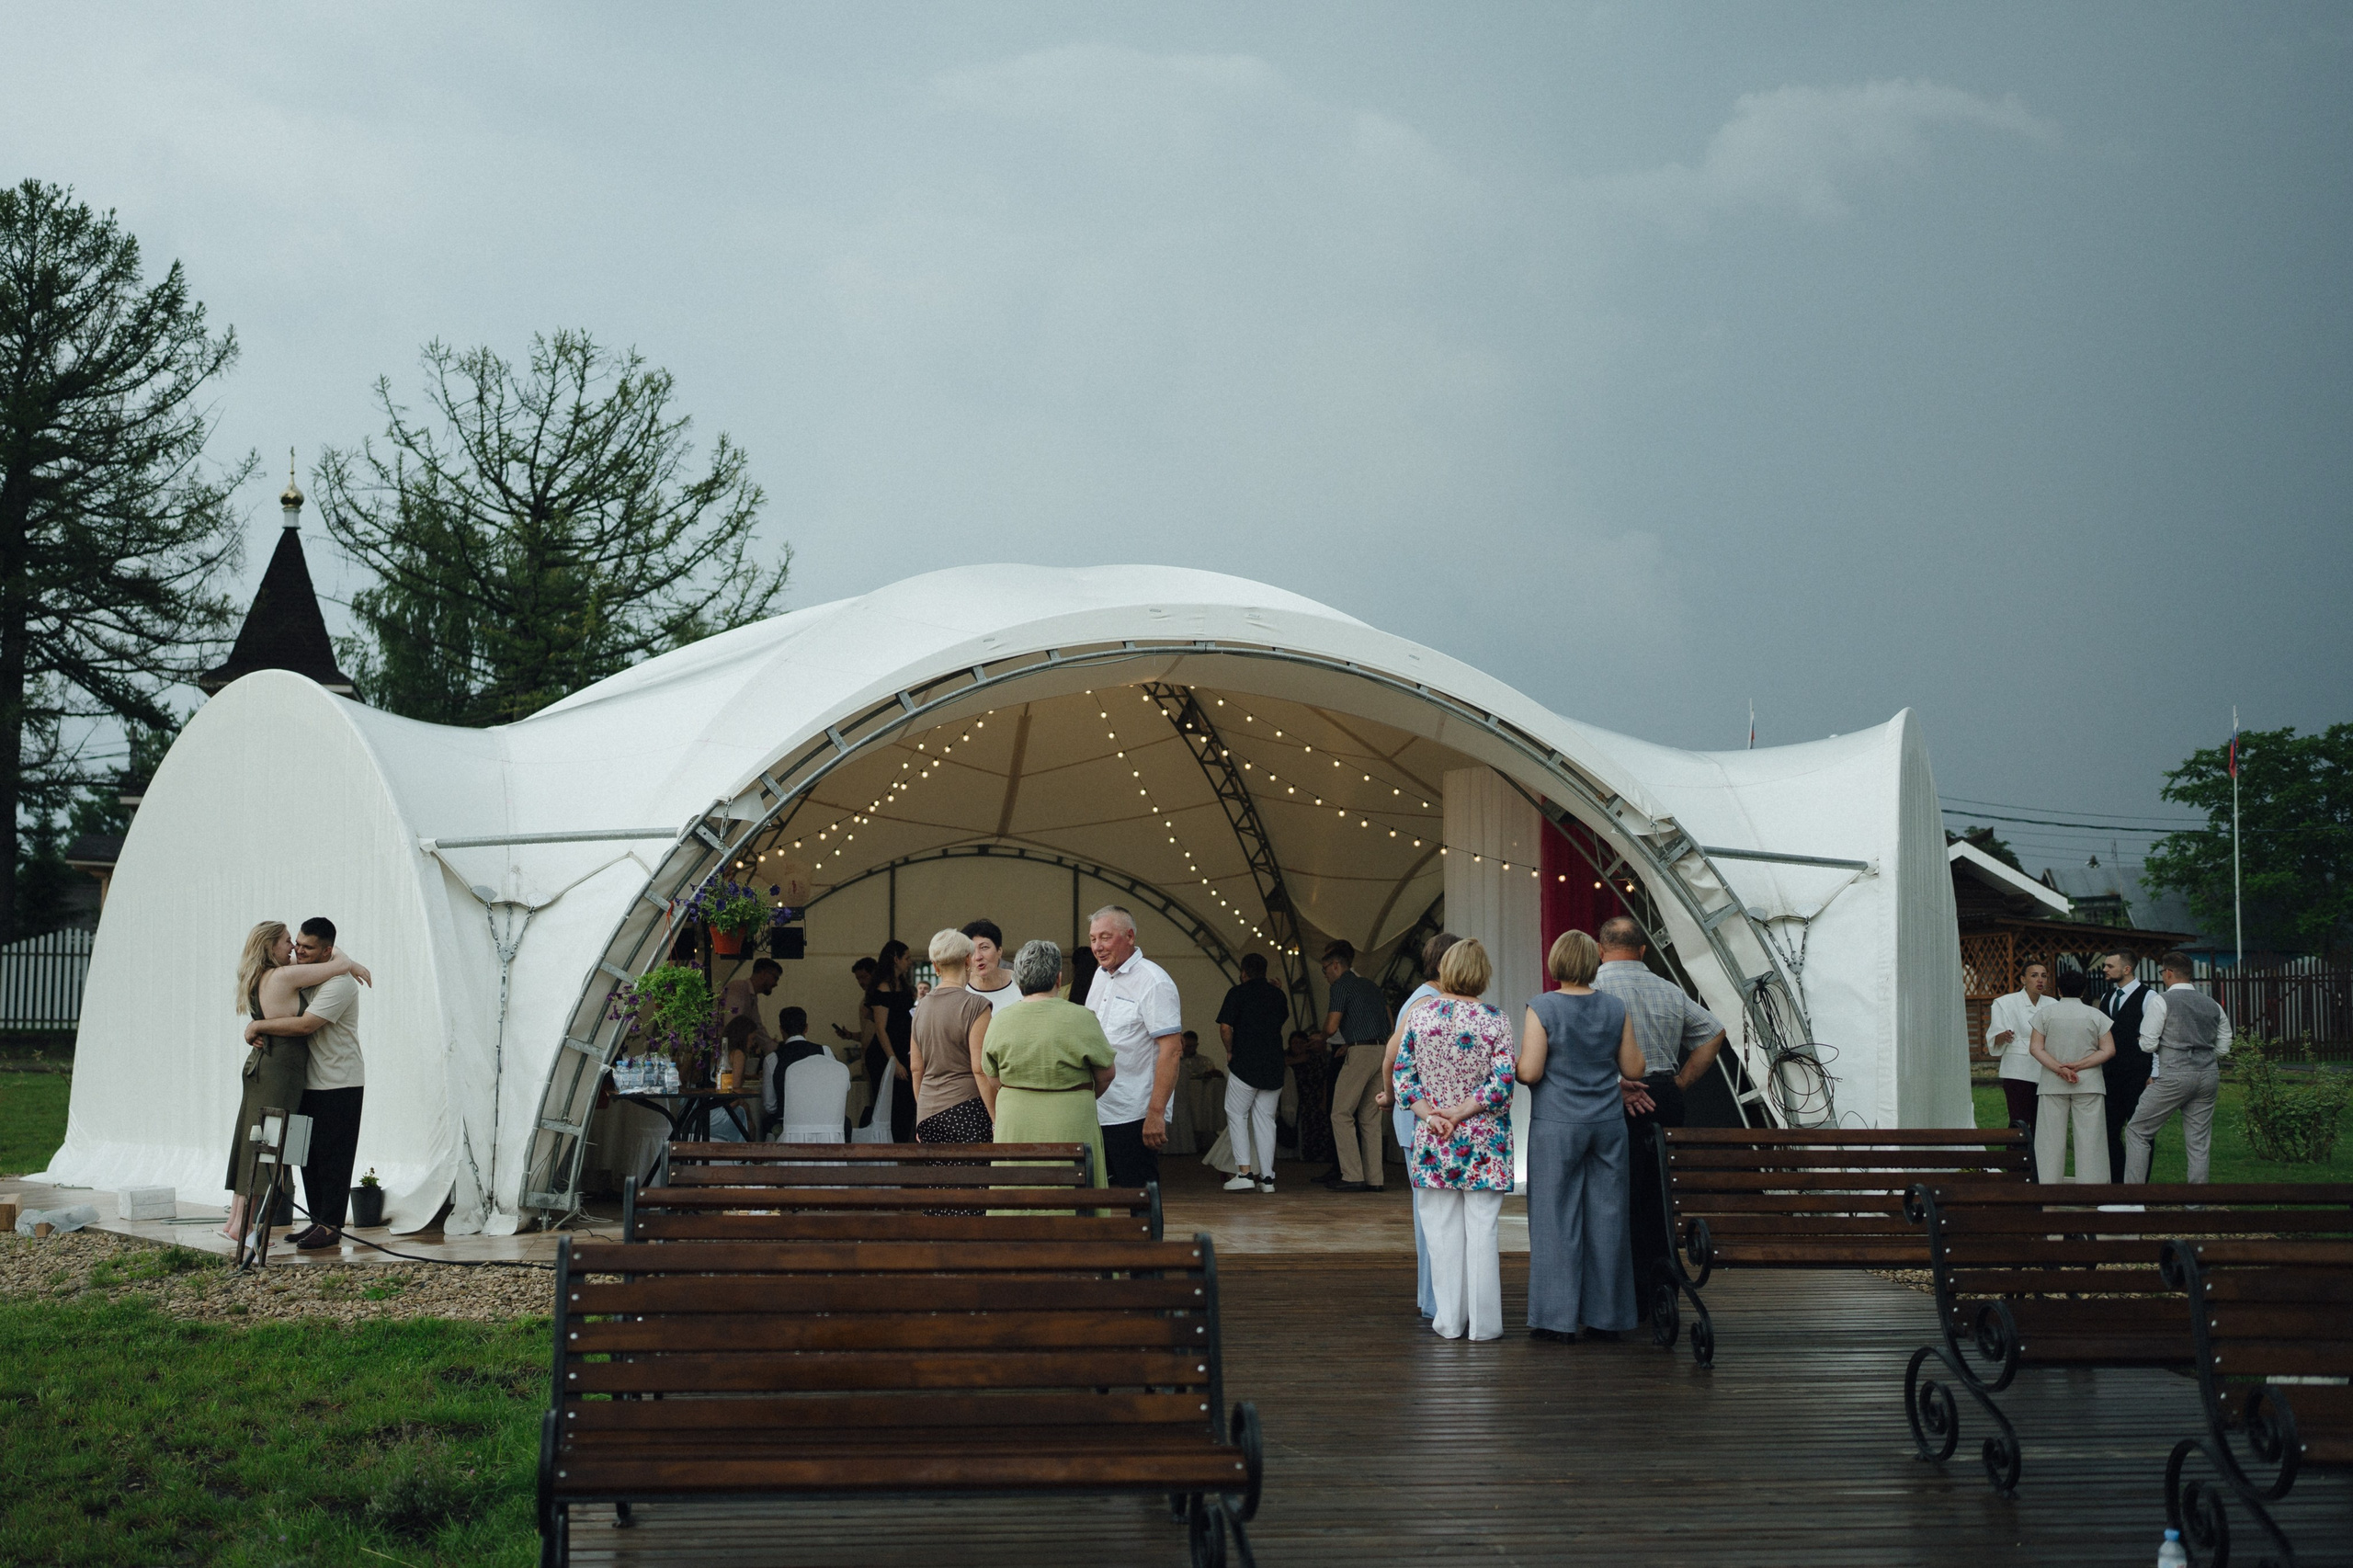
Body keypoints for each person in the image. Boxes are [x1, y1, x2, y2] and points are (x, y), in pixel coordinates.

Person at [1590, 916, 1727, 1307]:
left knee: (1616, 1195)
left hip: (1615, 1095)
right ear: (1644, 950)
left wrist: (1612, 1085)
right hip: (1664, 1093)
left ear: (1600, 949)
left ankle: (1621, 1293)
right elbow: (1713, 1032)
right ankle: (1661, 1287)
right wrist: (1681, 1081)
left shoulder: (1594, 989)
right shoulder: (1669, 990)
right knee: (1660, 1196)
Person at [1520, 930, 1646, 1342]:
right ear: (1595, 963)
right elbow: (1634, 1069)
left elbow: (1531, 1072)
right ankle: (1607, 1317)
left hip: (1557, 1125)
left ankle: (1556, 1320)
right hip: (1608, 1124)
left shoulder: (1542, 1007)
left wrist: (1516, 1065)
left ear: (1556, 962)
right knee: (1608, 1218)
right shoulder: (1615, 1007)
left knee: (1555, 1218)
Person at [1393, 938, 1517, 1342]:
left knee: (1441, 1234)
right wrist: (1462, 1111)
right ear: (1483, 974)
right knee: (1483, 1232)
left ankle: (1448, 1321)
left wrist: (1432, 1115)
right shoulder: (1496, 1019)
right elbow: (1501, 1086)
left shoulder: (1420, 1016)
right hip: (1485, 1142)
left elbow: (1403, 1078)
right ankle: (1484, 1326)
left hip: (1433, 1139)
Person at [222, 921, 370, 1244]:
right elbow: (329, 959)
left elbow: (307, 1025)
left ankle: (330, 1225)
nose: (297, 950)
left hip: (338, 1080)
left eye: (306, 946)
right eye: (294, 942)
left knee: (335, 1156)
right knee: (310, 1157)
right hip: (307, 1081)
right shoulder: (302, 971)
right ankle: (317, 1220)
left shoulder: (339, 984)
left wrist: (258, 1026)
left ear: (326, 951)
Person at [981, 939, 1119, 1187]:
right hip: (1072, 1118)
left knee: (1016, 1191)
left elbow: (992, 1075)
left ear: (1019, 980)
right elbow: (1106, 1074)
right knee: (1075, 1192)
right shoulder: (1082, 1018)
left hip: (1016, 1121)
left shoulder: (1000, 1019)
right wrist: (1076, 1095)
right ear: (1058, 978)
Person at [1377, 930, 1461, 1319]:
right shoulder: (1426, 1002)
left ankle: (1436, 1298)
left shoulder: (1427, 999)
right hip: (1422, 1119)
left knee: (1433, 1211)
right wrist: (1390, 1096)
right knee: (1431, 1212)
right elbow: (1392, 1056)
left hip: (1425, 1117)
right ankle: (1433, 1300)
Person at [1084, 905, 1184, 1189]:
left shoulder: (1153, 981)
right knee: (1096, 1197)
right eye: (1093, 939)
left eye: (1105, 937)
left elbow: (1172, 1050)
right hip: (1097, 1108)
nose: (1098, 947)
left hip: (1133, 1114)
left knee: (1140, 1197)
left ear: (1129, 936)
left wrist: (1156, 1113)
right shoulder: (1100, 975)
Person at [2122, 952, 2233, 1184]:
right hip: (2208, 1075)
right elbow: (2223, 1047)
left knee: (2137, 1131)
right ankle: (2196, 1204)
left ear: (2169, 973)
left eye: (2162, 972)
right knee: (2199, 1143)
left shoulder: (2161, 1001)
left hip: (2174, 1074)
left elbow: (2148, 1043)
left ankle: (2131, 1199)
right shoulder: (2211, 1003)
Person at [1317, 940, 1394, 1192]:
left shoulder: (1341, 986)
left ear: (1336, 966)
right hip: (1382, 1050)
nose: (1325, 975)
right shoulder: (1370, 985)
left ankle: (1352, 1175)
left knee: (1340, 1112)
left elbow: (1330, 1027)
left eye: (1325, 969)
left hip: (1360, 1052)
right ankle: (1375, 1178)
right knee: (1370, 1118)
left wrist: (1319, 1038)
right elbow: (1389, 1018)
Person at [910, 928, 995, 1144]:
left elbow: (916, 1067)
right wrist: (996, 1119)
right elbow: (980, 1068)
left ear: (936, 966)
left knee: (937, 1178)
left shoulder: (920, 1008)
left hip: (928, 1111)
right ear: (968, 960)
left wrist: (922, 1112)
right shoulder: (976, 1006)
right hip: (967, 1107)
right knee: (972, 1177)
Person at [2029, 969, 2115, 1183]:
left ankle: (2047, 1187)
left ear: (2058, 990)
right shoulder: (2096, 1015)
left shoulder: (2044, 1014)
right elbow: (2108, 1050)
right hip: (2089, 1083)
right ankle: (2092, 1189)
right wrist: (2078, 1066)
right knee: (2091, 1138)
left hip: (2052, 1083)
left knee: (2049, 1139)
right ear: (2084, 990)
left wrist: (2060, 1069)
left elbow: (2035, 1049)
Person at [1216, 952, 1290, 1193]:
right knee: (1266, 1120)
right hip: (1274, 1064)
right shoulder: (1277, 995)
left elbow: (1226, 1027)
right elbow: (1279, 1018)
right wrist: (1276, 990)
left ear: (1244, 971)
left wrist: (1230, 1051)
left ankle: (1245, 1173)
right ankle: (1267, 1179)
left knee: (1237, 1114)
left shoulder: (1237, 993)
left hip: (1245, 1063)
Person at [2093, 950, 2156, 1184]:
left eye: (2109, 966)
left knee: (2141, 1132)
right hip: (2110, 1075)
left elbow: (2157, 1037)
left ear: (2127, 969)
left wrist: (2154, 1073)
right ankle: (2118, 1183)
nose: (2105, 970)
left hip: (2139, 1076)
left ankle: (2140, 1186)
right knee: (2109, 1131)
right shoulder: (2107, 997)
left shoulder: (2149, 997)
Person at [1985, 962, 2052, 1134]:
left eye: (2044, 976)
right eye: (2034, 975)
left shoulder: (2053, 1004)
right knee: (2019, 1121)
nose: (2040, 980)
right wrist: (2002, 1036)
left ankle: (2041, 1159)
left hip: (2046, 1067)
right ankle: (2016, 1158)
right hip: (2017, 1070)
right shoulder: (2004, 1002)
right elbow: (1995, 1036)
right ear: (2023, 979)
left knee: (2044, 1122)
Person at [862, 939, 918, 1141]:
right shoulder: (882, 988)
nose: (910, 962)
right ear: (895, 959)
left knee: (907, 1106)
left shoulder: (903, 985)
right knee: (892, 1106)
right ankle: (890, 1149)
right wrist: (893, 1062)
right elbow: (880, 1028)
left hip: (902, 1052)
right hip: (886, 1054)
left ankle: (900, 1148)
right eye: (907, 958)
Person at [762, 1006, 822, 1135]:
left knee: (766, 1122)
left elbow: (769, 1105)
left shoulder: (772, 1059)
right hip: (823, 1123)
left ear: (781, 1029)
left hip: (787, 1126)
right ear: (806, 1028)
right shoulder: (825, 1052)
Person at [719, 959, 784, 1063]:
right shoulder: (738, 988)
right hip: (724, 1055)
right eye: (775, 978)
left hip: (729, 1054)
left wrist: (776, 1051)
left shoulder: (751, 996)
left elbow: (758, 1029)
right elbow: (733, 1025)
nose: (776, 984)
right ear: (763, 973)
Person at [961, 919, 1021, 1014]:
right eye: (971, 950)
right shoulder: (961, 988)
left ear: (999, 951)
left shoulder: (1020, 983)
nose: (978, 957)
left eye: (984, 947)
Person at [832, 955, 879, 1044]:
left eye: (864, 977)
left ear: (874, 974)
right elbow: (867, 1035)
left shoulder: (882, 999)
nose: (861, 982)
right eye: (858, 979)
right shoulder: (865, 1001)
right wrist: (850, 1035)